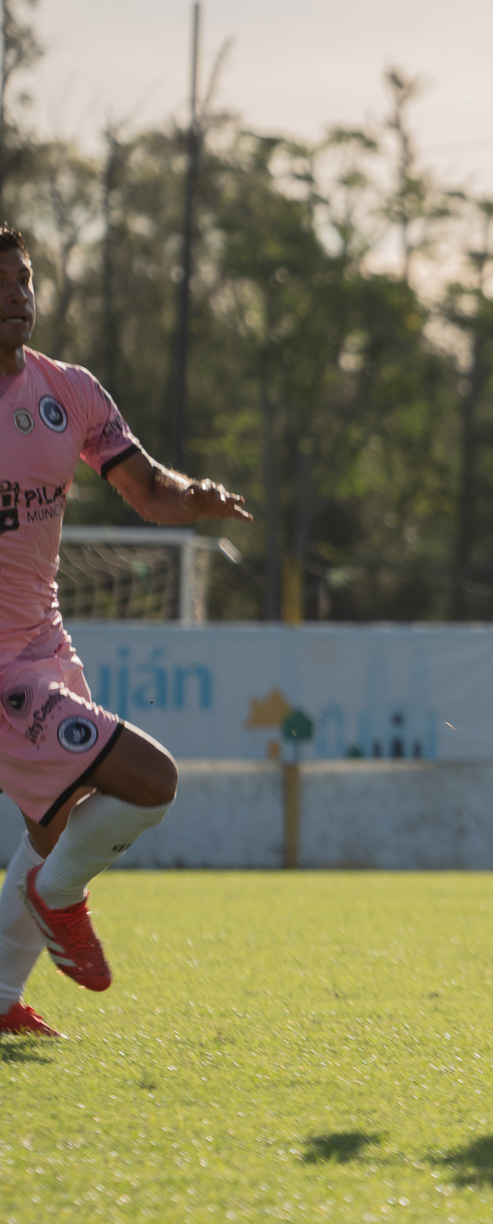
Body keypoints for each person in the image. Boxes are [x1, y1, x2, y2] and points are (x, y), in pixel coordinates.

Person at [0, 226, 251, 1039]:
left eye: (25, 282)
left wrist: (196, 495)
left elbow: (149, 490)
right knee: (151, 779)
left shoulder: (67, 390)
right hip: (4, 669)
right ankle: (58, 900)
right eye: (2, 284)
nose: (17, 297)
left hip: (47, 643)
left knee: (53, 823)